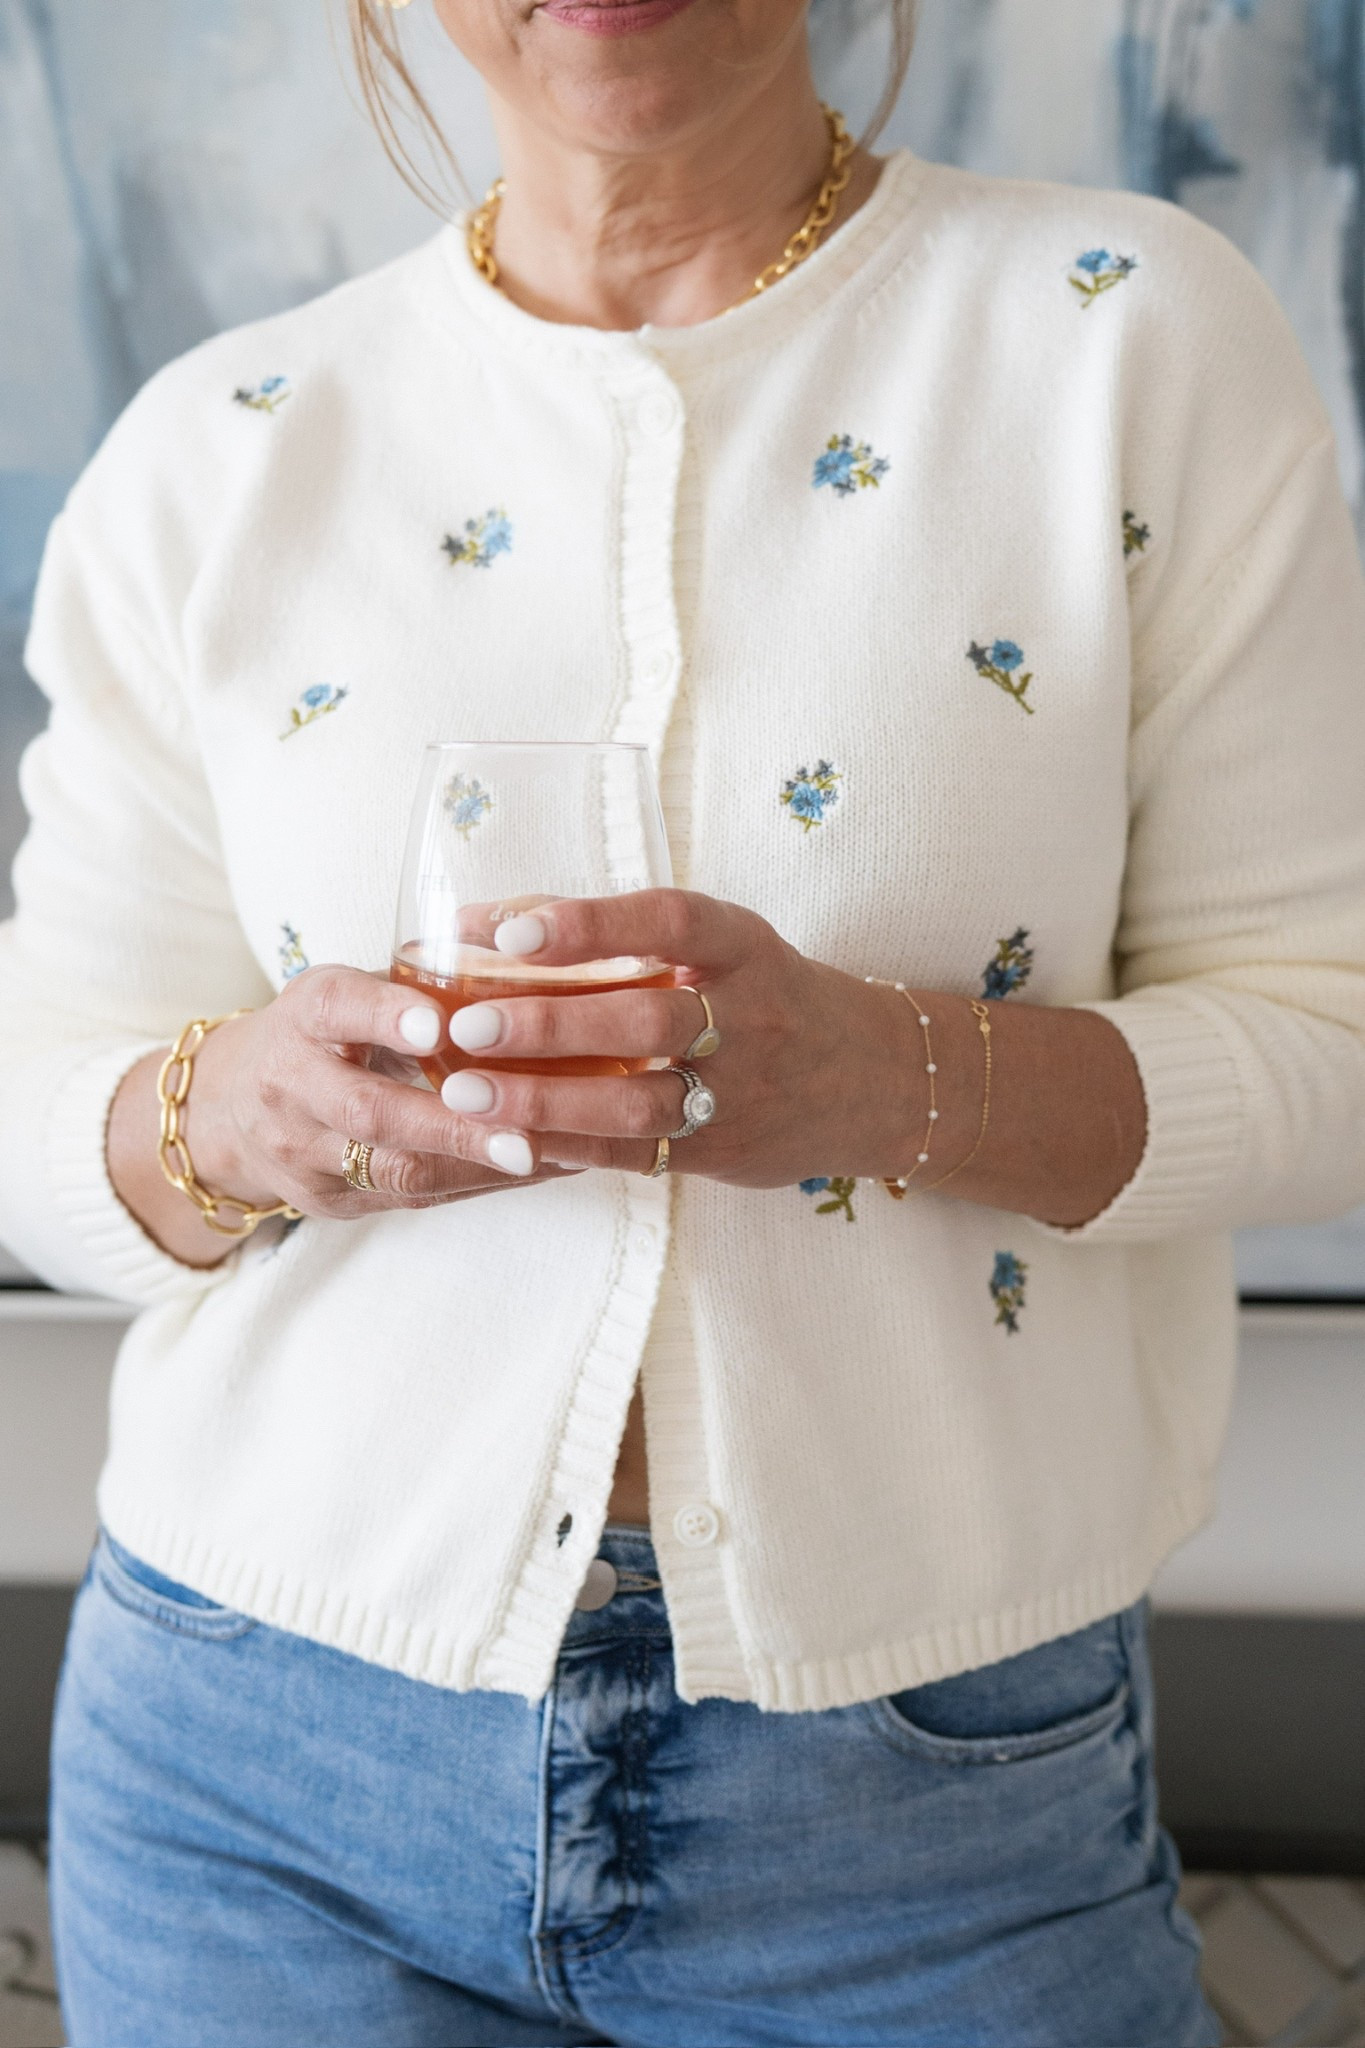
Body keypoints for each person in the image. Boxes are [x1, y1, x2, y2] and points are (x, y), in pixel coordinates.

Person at [3, 0, 1364, 2040]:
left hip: (924, 1810)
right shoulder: (222, 451)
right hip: (253, 1766)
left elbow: (1333, 1046)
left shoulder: (1121, 340)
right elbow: (43, 1123)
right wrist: (227, 1115)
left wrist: (873, 1073)